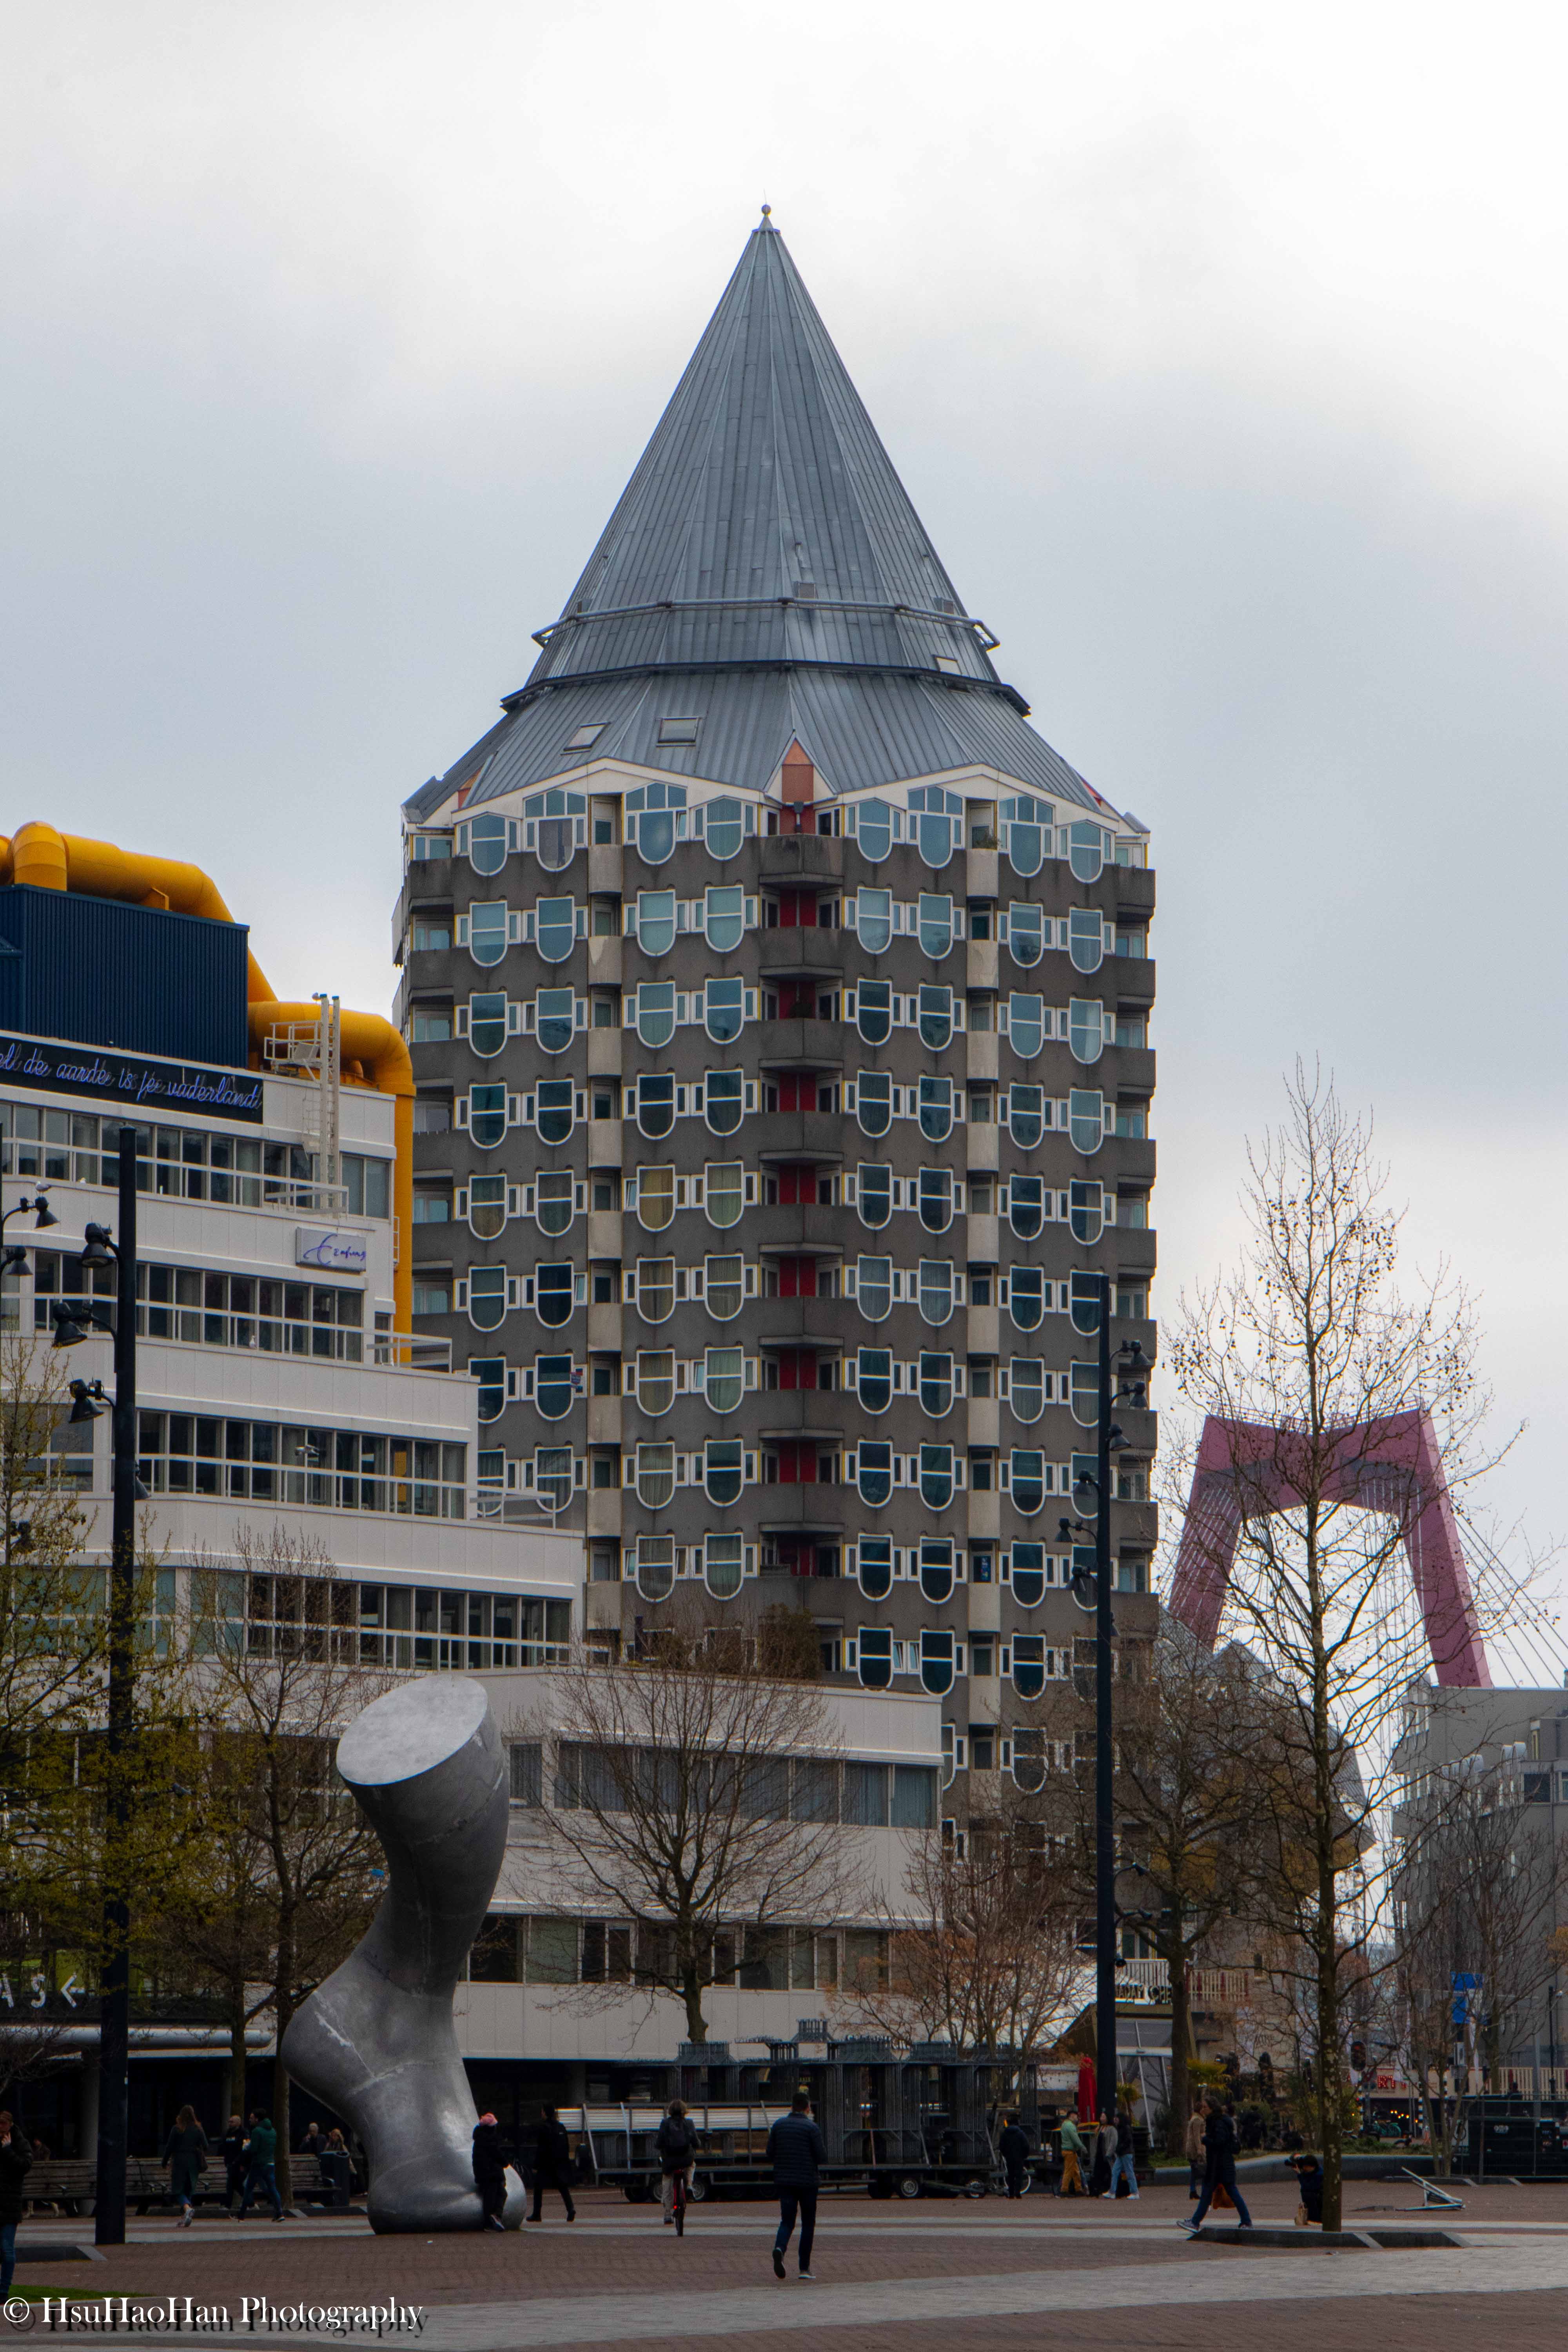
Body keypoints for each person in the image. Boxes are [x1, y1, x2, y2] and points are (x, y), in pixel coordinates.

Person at [768, 2090, 827, 2282]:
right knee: (808, 2224)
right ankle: (804, 2268)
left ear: (792, 2107)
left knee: (787, 2221)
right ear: (808, 2108)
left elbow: (770, 2153)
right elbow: (821, 2157)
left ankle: (780, 2249)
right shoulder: (812, 2128)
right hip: (808, 2183)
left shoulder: (779, 2126)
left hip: (784, 2181)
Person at [1184, 2094, 1252, 2234]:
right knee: (1214, 2192)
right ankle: (1196, 2222)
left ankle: (1196, 2222)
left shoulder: (1218, 2123)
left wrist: (1206, 2140)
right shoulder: (1218, 2121)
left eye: (1205, 2107)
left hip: (1220, 2164)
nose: (1203, 2110)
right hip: (1220, 2164)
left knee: (1218, 2192)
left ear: (1212, 2108)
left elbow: (1220, 2142)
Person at [162, 2103, 211, 2229]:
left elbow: (169, 2147)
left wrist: (165, 2161)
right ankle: (186, 2216)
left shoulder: (177, 2129)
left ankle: (187, 2209)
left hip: (179, 2162)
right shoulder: (198, 2129)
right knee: (189, 2188)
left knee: (178, 2189)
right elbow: (206, 2146)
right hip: (193, 2162)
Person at [0, 2111, 33, 2296]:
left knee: (7, 2249)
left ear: (11, 2125)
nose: (1, 2128)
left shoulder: (19, 2143)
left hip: (9, 2203)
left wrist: (8, 2151)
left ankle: (4, 2291)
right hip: (6, 2202)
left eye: (4, 2124)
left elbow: (24, 2166)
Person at [655, 2099, 700, 2226]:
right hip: (686, 2159)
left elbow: (659, 2144)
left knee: (667, 2180)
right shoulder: (689, 2123)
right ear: (684, 2110)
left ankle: (668, 2214)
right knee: (692, 2165)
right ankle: (690, 2186)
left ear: (670, 2111)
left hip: (670, 2161)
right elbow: (696, 2143)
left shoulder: (665, 2123)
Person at [528, 2104, 575, 2223]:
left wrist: (536, 2165)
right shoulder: (560, 2127)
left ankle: (537, 2214)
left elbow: (542, 2149)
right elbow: (566, 2146)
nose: (541, 2113)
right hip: (559, 2162)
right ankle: (571, 2209)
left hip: (546, 2163)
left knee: (538, 2187)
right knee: (562, 2187)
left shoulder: (544, 2128)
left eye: (542, 2111)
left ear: (545, 2113)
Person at [238, 2109, 283, 2221]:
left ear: (258, 2119)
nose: (250, 2120)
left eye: (252, 2118)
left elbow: (254, 2150)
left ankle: (241, 2216)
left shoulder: (257, 2131)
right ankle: (280, 2213)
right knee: (272, 2189)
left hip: (258, 2164)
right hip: (270, 2163)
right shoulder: (273, 2131)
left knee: (248, 2188)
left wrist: (246, 2147)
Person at [472, 2111, 508, 2231]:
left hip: (486, 2174)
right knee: (495, 2196)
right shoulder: (490, 2141)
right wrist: (505, 2163)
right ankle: (492, 2220)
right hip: (491, 2174)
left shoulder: (479, 2140)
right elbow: (497, 2155)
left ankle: (494, 2218)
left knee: (494, 2196)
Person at [218, 2115, 247, 2214]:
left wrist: (242, 2162)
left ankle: (228, 2205)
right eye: (229, 2122)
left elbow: (245, 2148)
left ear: (238, 2123)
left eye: (232, 2122)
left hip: (239, 2163)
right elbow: (223, 2147)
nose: (230, 2124)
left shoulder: (243, 2133)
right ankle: (250, 2202)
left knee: (231, 2184)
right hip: (230, 2163)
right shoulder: (228, 2133)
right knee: (236, 2185)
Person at [1109, 2105, 1139, 2201]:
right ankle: (1112, 2192)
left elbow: (1127, 2141)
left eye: (1116, 2119)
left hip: (1125, 2153)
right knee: (1116, 2172)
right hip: (1123, 2153)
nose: (1115, 2120)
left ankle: (1135, 2192)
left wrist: (1119, 2148)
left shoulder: (1125, 2128)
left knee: (1128, 2172)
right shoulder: (1123, 2128)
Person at [998, 2114, 1030, 2198]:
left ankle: (1011, 2193)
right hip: (1019, 2158)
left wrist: (1006, 2154)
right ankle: (1018, 2193)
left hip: (1009, 2157)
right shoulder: (1021, 2133)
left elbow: (1001, 2146)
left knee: (1011, 2175)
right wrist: (1024, 2156)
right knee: (1019, 2175)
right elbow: (1026, 2146)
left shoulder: (1005, 2133)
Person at [1290, 2151, 1324, 2227]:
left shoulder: (1319, 2175)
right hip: (1311, 2201)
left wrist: (1300, 2175)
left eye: (1306, 2167)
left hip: (1317, 2201)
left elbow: (1307, 2186)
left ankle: (1314, 2221)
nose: (1304, 2168)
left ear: (1312, 2166)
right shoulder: (1312, 2172)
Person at [1088, 2111, 1114, 2198]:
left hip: (1107, 2155)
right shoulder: (1099, 2128)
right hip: (1099, 2154)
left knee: (1110, 2172)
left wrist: (1109, 2153)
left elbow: (1113, 2142)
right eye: (1101, 2117)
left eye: (1104, 2117)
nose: (1102, 2119)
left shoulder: (1111, 2129)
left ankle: (1110, 2189)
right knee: (1098, 2173)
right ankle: (1097, 2190)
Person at [1184, 2103, 1206, 2199]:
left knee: (1194, 2171)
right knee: (1203, 2169)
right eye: (1203, 2108)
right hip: (1195, 2148)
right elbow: (1197, 2135)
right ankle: (1203, 2191)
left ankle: (1193, 2191)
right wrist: (1199, 2149)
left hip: (1191, 2147)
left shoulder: (1195, 2118)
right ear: (1200, 2110)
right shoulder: (1198, 2120)